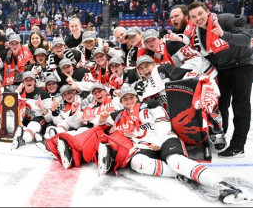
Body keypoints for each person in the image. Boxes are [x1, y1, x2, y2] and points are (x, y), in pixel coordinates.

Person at [98, 85, 248, 205]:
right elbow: (96, 121)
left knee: (176, 161)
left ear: (137, 97)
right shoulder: (118, 115)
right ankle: (183, 173)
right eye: (125, 98)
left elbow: (163, 123)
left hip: (164, 139)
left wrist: (157, 141)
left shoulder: (150, 105)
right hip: (143, 146)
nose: (129, 100)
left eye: (131, 97)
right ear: (121, 101)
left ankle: (221, 185)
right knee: (137, 163)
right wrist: (101, 119)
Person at [187, 2, 253, 158]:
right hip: (221, 69)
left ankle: (238, 146)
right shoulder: (196, 34)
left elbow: (245, 38)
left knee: (240, 105)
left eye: (200, 14)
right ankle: (219, 138)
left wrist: (224, 35)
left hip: (241, 65)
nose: (198, 18)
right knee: (219, 105)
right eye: (193, 16)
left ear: (207, 12)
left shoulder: (225, 20)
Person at [11, 72, 53, 150]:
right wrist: (17, 93)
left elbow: (50, 119)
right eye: (26, 80)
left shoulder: (43, 94)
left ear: (34, 82)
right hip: (26, 119)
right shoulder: (20, 93)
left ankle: (24, 138)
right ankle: (35, 136)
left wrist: (43, 108)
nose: (29, 82)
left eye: (31, 80)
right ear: (23, 82)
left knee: (32, 126)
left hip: (39, 120)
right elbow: (11, 109)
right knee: (13, 122)